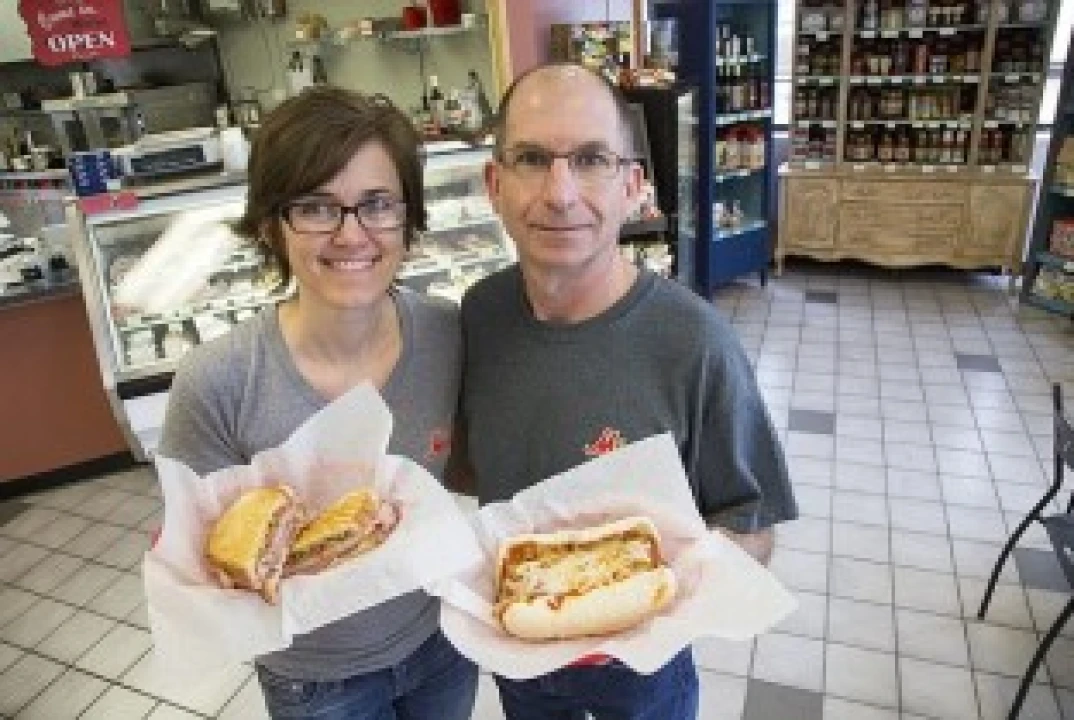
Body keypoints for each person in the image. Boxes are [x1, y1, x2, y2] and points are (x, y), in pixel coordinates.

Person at [449, 63, 797, 719]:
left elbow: (753, 526)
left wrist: (658, 588)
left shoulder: (696, 343)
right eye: (531, 159)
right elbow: (473, 468)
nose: (560, 194)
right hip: (519, 649)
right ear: (494, 185)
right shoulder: (479, 314)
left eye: (590, 160)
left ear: (633, 186)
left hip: (645, 670)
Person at [158, 86, 478, 720]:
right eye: (315, 207)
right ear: (271, 226)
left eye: (377, 204)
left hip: (441, 639)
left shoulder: (450, 336)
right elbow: (202, 568)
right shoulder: (217, 383)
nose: (351, 234)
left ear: (407, 218)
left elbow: (465, 470)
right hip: (316, 682)